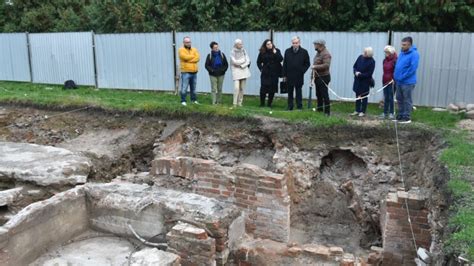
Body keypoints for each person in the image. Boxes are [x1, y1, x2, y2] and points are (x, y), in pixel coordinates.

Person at [393, 36, 419, 124]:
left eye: (404, 45)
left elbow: (412, 68)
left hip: (408, 82)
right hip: (399, 81)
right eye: (402, 44)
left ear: (409, 45)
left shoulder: (414, 54)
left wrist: (402, 76)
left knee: (407, 99)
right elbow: (398, 66)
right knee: (399, 98)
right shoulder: (401, 53)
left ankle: (407, 117)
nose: (402, 46)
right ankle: (400, 115)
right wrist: (396, 76)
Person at [282, 36, 310, 111]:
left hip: (299, 75)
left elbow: (307, 63)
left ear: (299, 43)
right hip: (289, 75)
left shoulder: (304, 52)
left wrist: (302, 71)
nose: (295, 44)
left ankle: (299, 106)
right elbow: (285, 63)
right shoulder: (287, 51)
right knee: (290, 92)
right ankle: (290, 106)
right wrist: (284, 75)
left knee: (298, 91)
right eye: (293, 43)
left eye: (296, 43)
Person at [257, 39, 283, 108]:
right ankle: (262, 103)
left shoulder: (277, 50)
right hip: (265, 73)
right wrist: (261, 69)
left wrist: (275, 53)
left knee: (272, 89)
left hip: (274, 73)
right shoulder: (262, 52)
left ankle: (269, 104)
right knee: (263, 89)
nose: (270, 45)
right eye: (268, 44)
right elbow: (258, 62)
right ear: (265, 45)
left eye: (270, 43)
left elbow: (281, 59)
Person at [350, 47, 375, 117]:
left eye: (365, 52)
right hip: (357, 80)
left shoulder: (372, 61)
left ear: (369, 54)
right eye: (364, 52)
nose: (363, 53)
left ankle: (363, 111)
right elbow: (354, 66)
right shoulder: (360, 57)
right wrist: (355, 72)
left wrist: (360, 74)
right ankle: (357, 110)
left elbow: (369, 73)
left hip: (365, 81)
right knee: (357, 95)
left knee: (364, 97)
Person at [311, 39, 332, 116]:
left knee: (324, 95)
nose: (314, 46)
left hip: (324, 77)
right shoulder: (318, 53)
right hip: (317, 77)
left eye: (315, 44)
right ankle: (320, 109)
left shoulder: (326, 54)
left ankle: (327, 112)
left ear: (320, 45)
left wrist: (315, 66)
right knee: (318, 94)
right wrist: (312, 77)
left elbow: (326, 65)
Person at [178, 36, 200, 106]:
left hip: (194, 71)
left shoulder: (194, 49)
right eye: (187, 42)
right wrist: (193, 57)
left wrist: (189, 59)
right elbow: (184, 57)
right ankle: (183, 100)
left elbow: (198, 58)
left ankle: (193, 100)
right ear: (184, 42)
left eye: (189, 42)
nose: (188, 43)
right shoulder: (181, 50)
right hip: (186, 72)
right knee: (184, 87)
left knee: (193, 88)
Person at [230, 39, 251, 107]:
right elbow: (234, 62)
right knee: (236, 88)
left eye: (242, 44)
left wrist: (242, 65)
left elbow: (248, 60)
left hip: (244, 70)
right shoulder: (232, 51)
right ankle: (234, 103)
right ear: (236, 45)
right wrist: (243, 60)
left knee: (242, 88)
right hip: (236, 71)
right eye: (240, 44)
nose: (241, 45)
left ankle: (240, 102)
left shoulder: (244, 50)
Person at [379, 45, 397, 119]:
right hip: (385, 80)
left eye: (387, 52)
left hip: (392, 81)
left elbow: (396, 71)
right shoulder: (385, 60)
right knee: (386, 97)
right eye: (385, 52)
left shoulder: (395, 60)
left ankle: (391, 113)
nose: (385, 53)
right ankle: (385, 112)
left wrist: (393, 79)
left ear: (391, 52)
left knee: (390, 97)